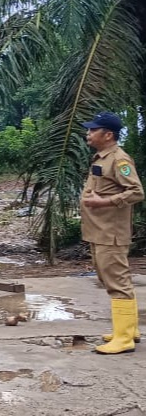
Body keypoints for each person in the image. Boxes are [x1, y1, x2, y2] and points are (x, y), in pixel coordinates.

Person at [80, 112, 145, 354]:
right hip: (99, 231)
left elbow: (137, 192)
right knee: (111, 280)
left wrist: (104, 202)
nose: (88, 133)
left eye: (93, 130)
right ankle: (128, 330)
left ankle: (124, 339)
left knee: (118, 282)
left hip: (111, 233)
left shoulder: (119, 160)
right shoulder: (102, 158)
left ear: (108, 135)